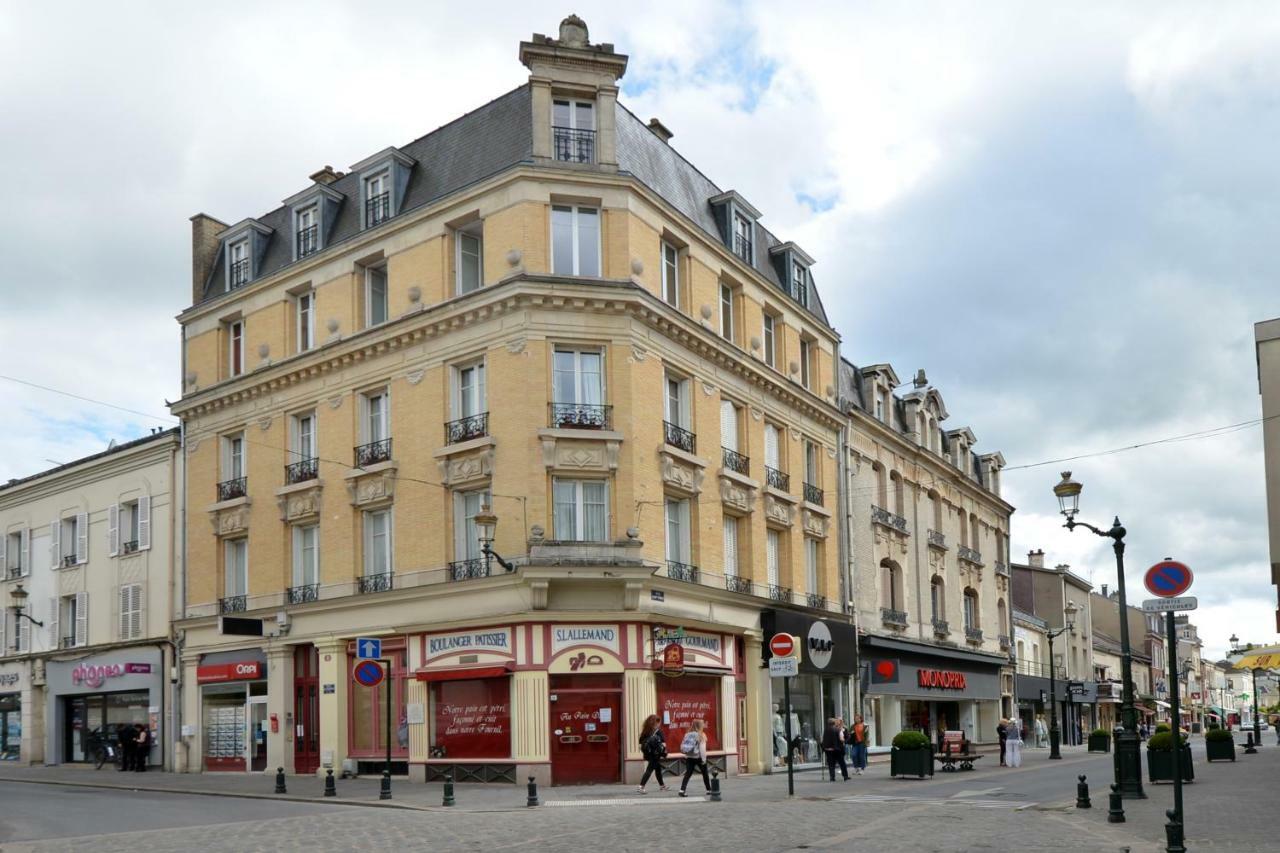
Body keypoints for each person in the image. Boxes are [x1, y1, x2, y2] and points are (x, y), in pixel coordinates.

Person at [637, 714, 669, 794]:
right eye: (659, 723)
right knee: (649, 770)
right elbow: (664, 744)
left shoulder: (645, 731)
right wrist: (663, 752)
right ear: (656, 723)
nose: (659, 724)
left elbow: (640, 744)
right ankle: (641, 786)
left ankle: (662, 785)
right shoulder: (658, 732)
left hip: (648, 754)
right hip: (656, 754)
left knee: (657, 768)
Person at [677, 719, 710, 797]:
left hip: (689, 757)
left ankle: (682, 790)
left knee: (688, 774)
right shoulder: (701, 735)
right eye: (702, 725)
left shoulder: (687, 734)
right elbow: (702, 749)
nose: (703, 726)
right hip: (698, 757)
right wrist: (704, 759)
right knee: (705, 774)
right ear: (700, 726)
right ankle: (709, 790)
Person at [822, 717, 849, 782]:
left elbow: (823, 740)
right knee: (842, 763)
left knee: (831, 764)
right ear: (834, 723)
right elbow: (841, 739)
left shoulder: (825, 730)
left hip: (828, 750)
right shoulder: (838, 730)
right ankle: (845, 776)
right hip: (837, 749)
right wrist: (845, 741)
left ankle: (832, 777)